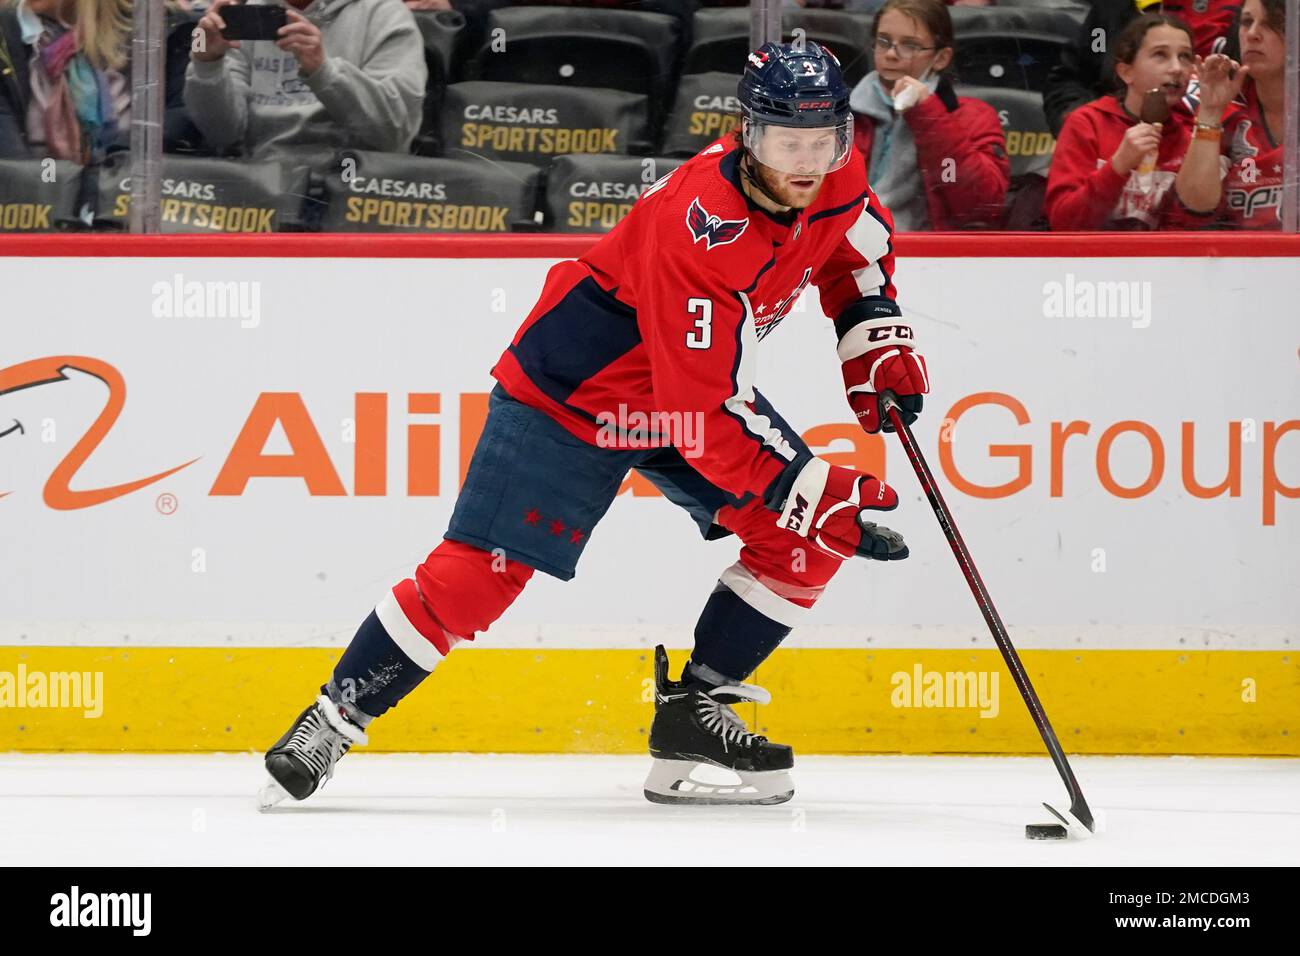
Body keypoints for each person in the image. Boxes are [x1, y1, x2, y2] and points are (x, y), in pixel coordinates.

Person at [257, 41, 930, 809]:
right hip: (579, 390)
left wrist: (872, 334)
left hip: (687, 395)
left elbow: (854, 249)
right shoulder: (699, 224)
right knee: (482, 574)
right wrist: (809, 487)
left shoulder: (832, 170)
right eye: (786, 143)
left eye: (823, 140)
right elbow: (703, 412)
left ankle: (695, 713)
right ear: (747, 133)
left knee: (804, 533)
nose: (808, 161)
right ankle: (332, 719)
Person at [1044, 13, 1244, 230]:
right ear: (1126, 72)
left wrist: (1209, 113)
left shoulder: (1196, 132)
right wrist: (1117, 166)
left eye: (1185, 57)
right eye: (1160, 55)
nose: (1177, 68)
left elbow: (1197, 227)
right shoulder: (1087, 123)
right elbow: (1064, 223)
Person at [185, 0, 426, 160]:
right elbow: (222, 134)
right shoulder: (252, 11)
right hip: (262, 178)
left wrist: (324, 71)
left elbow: (393, 133)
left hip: (351, 178)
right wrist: (207, 63)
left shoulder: (385, 13)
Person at [849, 0, 1008, 230]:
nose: (891, 54)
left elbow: (978, 208)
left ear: (940, 58)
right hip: (846, 246)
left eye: (910, 46)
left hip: (927, 253)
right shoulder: (839, 114)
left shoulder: (973, 118)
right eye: (883, 41)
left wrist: (928, 114)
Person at [1043, 0, 1240, 137]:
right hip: (1114, 145)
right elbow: (1072, 77)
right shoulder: (1110, 14)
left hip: (1211, 142)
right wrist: (1085, 126)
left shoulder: (1250, 12)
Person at [0, 0, 131, 162]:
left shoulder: (152, 35)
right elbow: (15, 169)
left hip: (123, 183)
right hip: (38, 182)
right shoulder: (7, 36)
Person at [1215, 0, 1286, 229]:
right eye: (1246, 22)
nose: (1252, 34)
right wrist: (1208, 114)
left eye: (1271, 24)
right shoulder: (1224, 105)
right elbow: (1194, 207)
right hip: (1239, 259)